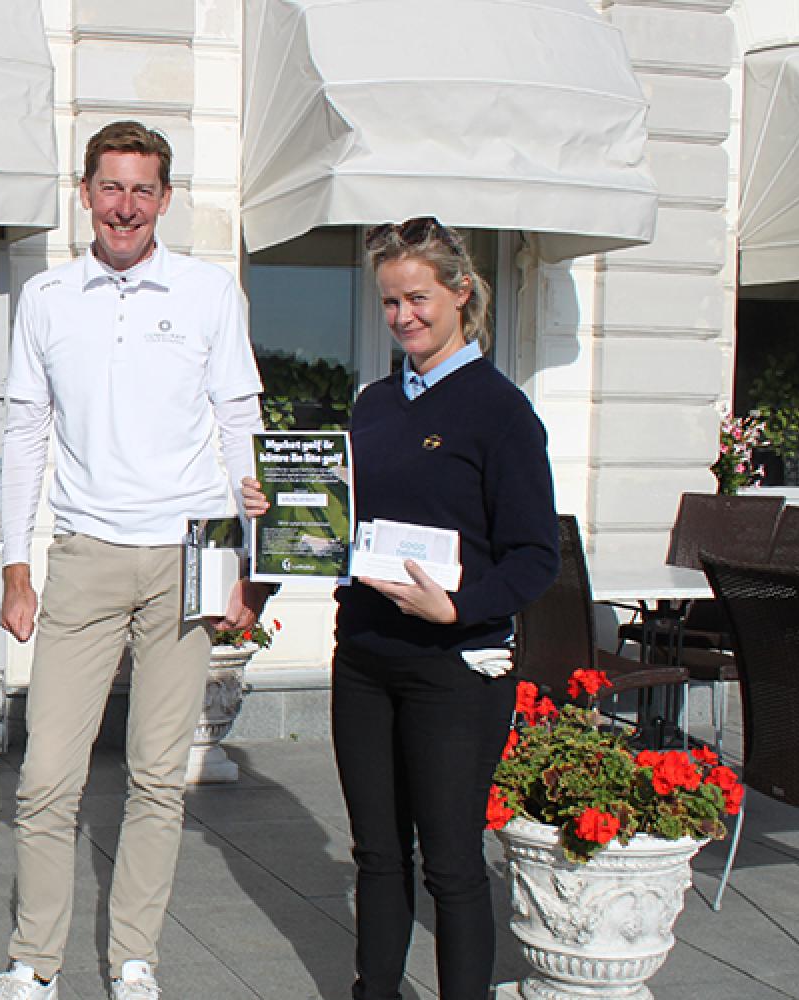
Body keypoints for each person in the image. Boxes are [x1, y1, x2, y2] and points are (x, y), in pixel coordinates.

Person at [0, 121, 273, 1000]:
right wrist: (16, 565)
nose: (125, 206)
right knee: (46, 778)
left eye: (142, 190)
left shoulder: (207, 292)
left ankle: (135, 958)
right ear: (85, 193)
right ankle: (35, 964)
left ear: (165, 199)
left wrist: (249, 575)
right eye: (110, 187)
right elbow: (24, 435)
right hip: (84, 553)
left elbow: (240, 429)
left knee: (158, 775)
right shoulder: (45, 298)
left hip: (191, 555)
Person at [246, 216, 557, 999]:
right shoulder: (373, 406)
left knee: (452, 863)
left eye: (417, 297)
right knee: (377, 854)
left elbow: (535, 558)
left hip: (454, 669)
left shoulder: (501, 412)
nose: (403, 317)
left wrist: (457, 609)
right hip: (366, 659)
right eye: (389, 302)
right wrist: (277, 509)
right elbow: (342, 524)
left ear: (461, 293)